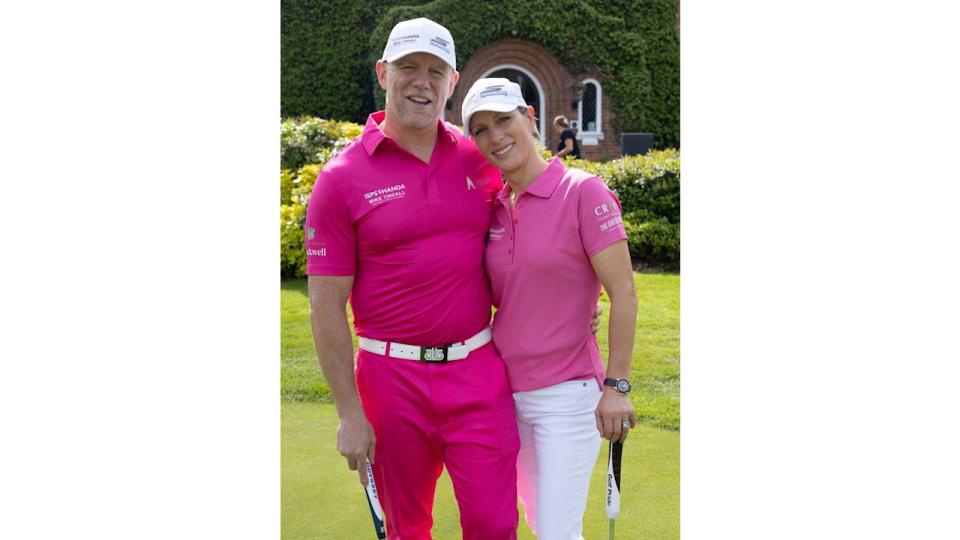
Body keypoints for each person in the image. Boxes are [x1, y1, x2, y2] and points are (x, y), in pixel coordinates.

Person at [303, 18, 522, 540]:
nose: (421, 81)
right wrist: (350, 415)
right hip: (389, 381)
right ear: (383, 73)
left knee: (494, 524)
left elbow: (534, 228)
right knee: (407, 529)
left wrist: (578, 293)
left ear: (453, 82)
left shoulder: (481, 157)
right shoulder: (340, 180)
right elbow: (324, 307)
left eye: (435, 70)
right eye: (407, 68)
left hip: (477, 370)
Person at [462, 78, 638, 540]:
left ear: (530, 118)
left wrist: (617, 386)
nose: (495, 136)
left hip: (568, 396)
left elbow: (624, 293)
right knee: (540, 521)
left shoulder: (583, 192)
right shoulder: (494, 206)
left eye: (504, 120)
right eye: (480, 129)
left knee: (558, 531)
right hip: (506, 395)